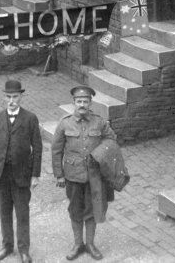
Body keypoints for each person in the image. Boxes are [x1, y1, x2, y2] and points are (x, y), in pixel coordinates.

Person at [52, 86, 117, 261]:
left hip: (94, 176)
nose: (82, 104)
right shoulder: (65, 123)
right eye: (79, 101)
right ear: (74, 102)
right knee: (75, 210)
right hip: (72, 175)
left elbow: (111, 139)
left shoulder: (99, 122)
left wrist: (100, 155)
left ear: (90, 103)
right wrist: (59, 174)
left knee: (92, 209)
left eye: (85, 101)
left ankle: (90, 244)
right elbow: (56, 150)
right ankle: (77, 244)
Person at [0, 80, 42, 263]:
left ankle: (24, 249)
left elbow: (38, 148)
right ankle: (7, 246)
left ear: (21, 97)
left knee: (22, 213)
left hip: (22, 176)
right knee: (4, 211)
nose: (11, 100)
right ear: (4, 97)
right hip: (1, 175)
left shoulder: (30, 118)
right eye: (8, 97)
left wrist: (35, 175)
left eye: (15, 97)